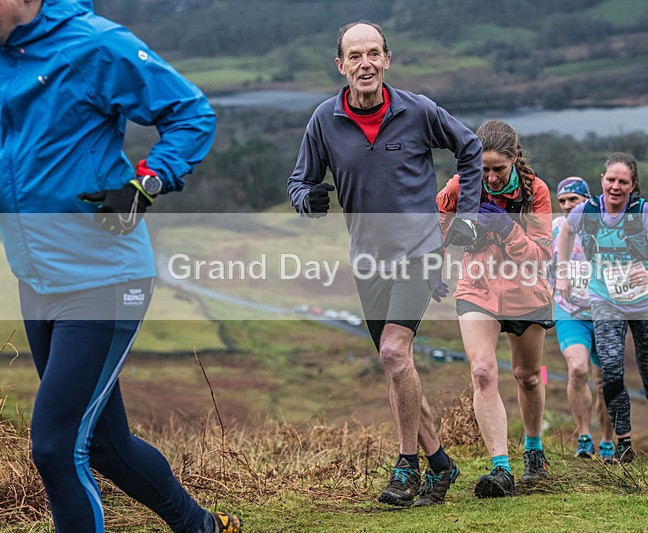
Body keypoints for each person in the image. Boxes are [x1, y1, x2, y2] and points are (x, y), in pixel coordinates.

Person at [0, 1, 240, 532]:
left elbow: (192, 113)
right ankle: (202, 526)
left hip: (104, 276)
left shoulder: (92, 44)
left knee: (57, 447)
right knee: (106, 444)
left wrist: (145, 184)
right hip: (36, 278)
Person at [287, 20, 482, 507]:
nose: (365, 63)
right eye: (355, 56)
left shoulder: (418, 111)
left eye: (373, 53)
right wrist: (308, 200)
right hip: (367, 261)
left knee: (395, 353)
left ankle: (406, 467)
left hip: (419, 253)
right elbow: (299, 182)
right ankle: (441, 465)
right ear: (341, 66)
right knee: (398, 365)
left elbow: (471, 148)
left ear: (387, 59)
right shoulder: (323, 121)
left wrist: (468, 218)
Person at [437, 120, 553, 498]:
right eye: (483, 168)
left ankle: (533, 449)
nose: (490, 177)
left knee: (527, 376)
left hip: (526, 292)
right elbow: (433, 225)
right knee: (483, 372)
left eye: (498, 169)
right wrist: (432, 266)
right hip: (478, 287)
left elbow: (541, 255)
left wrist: (508, 230)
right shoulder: (460, 186)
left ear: (514, 158)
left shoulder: (535, 192)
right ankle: (500, 468)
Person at [555, 153, 648, 463]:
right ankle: (623, 441)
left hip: (646, 302)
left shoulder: (644, 213)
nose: (615, 186)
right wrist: (563, 272)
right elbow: (567, 231)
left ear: (632, 185)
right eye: (610, 180)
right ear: (601, 180)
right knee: (610, 369)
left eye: (623, 182)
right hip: (606, 300)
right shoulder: (587, 211)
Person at [551, 177, 615, 462]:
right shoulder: (554, 229)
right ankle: (584, 435)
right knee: (577, 369)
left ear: (587, 202)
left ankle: (609, 440)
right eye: (562, 201)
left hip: (604, 313)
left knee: (606, 381)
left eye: (572, 200)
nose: (566, 206)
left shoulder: (604, 228)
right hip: (569, 311)